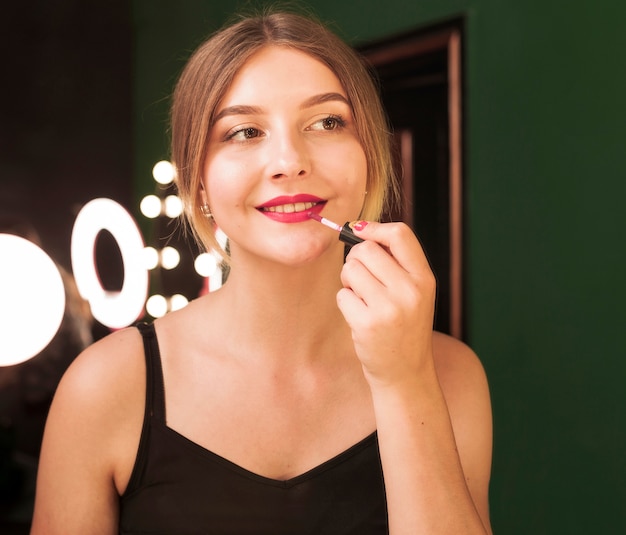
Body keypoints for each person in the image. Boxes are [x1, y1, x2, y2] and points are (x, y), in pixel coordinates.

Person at [30, 8, 493, 534]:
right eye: (245, 131)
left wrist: (405, 382)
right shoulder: (105, 386)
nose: (289, 161)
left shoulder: (451, 376)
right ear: (197, 181)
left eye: (326, 122)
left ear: (369, 157)